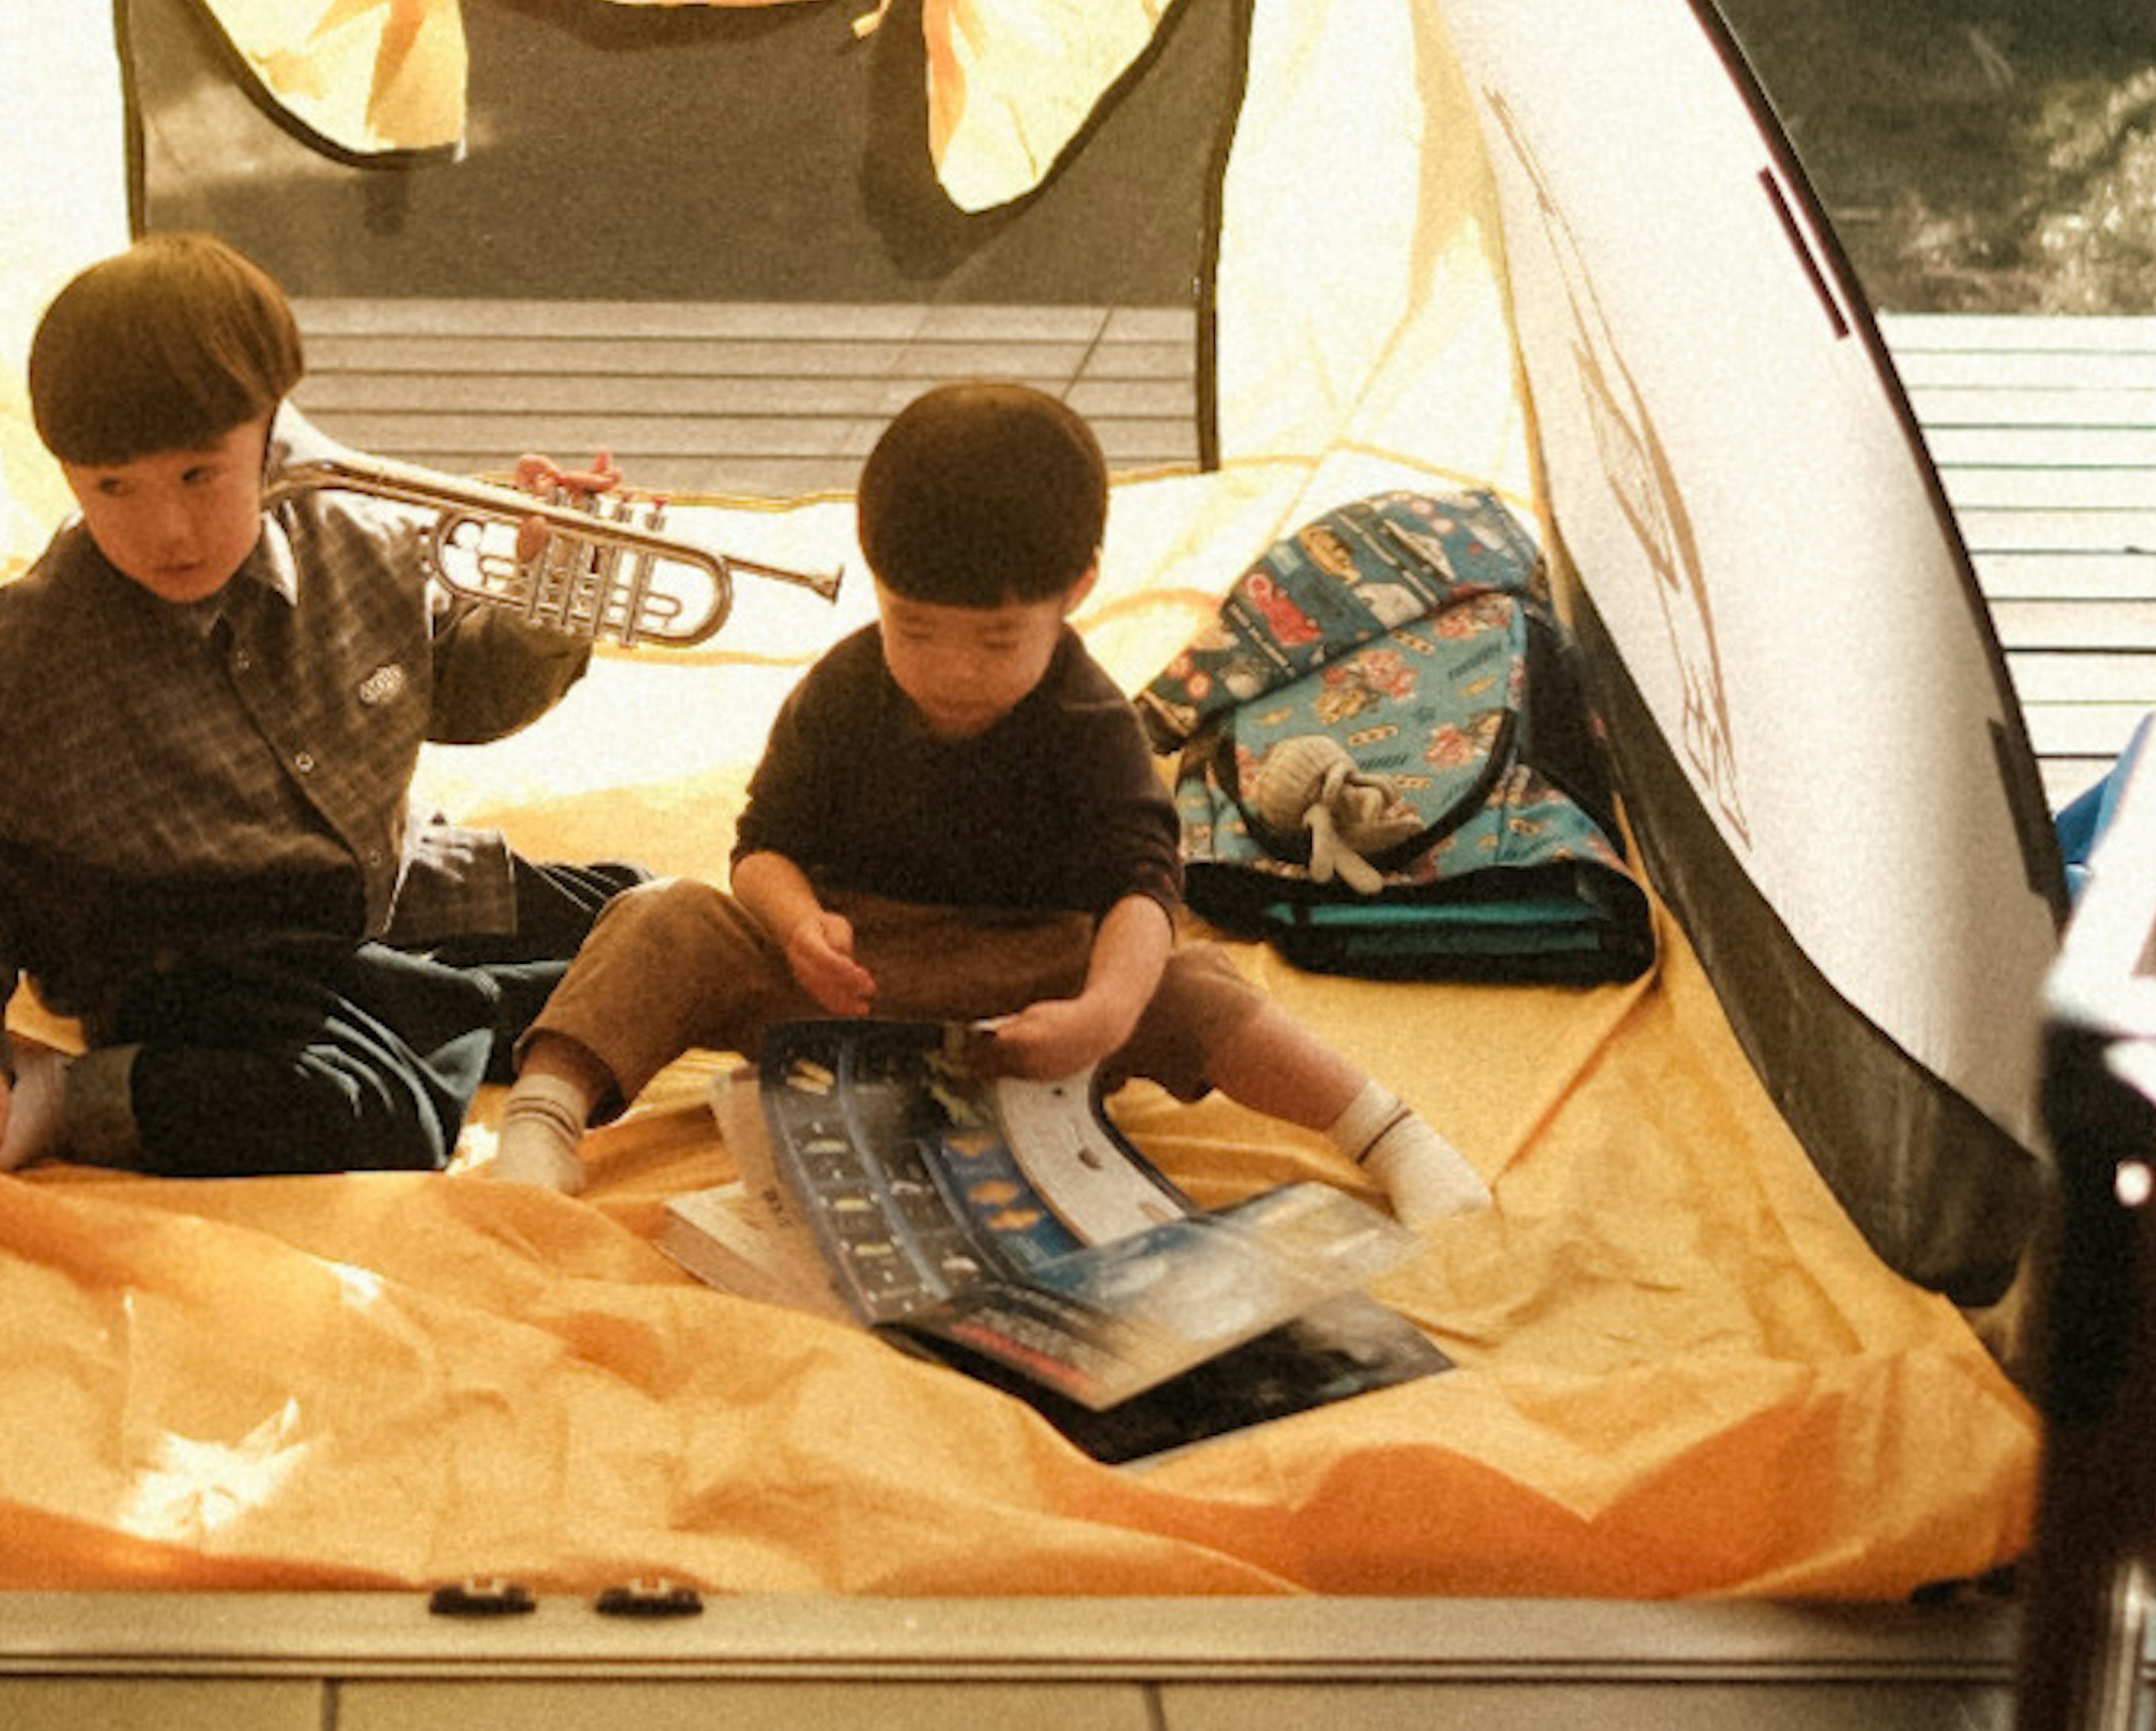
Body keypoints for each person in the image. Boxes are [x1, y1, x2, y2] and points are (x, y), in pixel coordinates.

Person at [487, 376, 1488, 1221]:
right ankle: (543, 1115)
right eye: (912, 627)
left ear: (1078, 587)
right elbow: (762, 845)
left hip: (1029, 999)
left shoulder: (1089, 718)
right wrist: (798, 928)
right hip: (849, 983)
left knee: (1193, 984)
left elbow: (1144, 888)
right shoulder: (847, 684)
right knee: (661, 916)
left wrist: (1101, 1010)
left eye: (997, 639)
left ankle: (1387, 1130)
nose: (951, 669)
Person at [0, 235, 630, 1186]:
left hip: (375, 887)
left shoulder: (363, 536)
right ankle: (76, 1095)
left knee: (645, 922)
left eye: (200, 474)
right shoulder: (39, 643)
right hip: (185, 956)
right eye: (113, 487)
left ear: (269, 430)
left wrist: (545, 603)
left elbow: (466, 695)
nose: (167, 532)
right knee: (366, 1114)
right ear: (68, 473)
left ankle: (435, 1008)